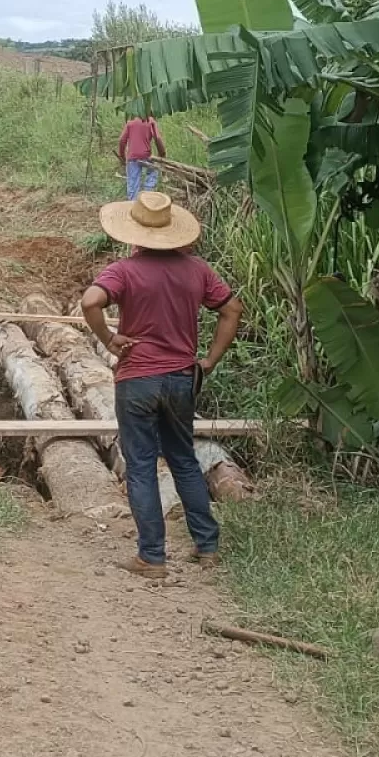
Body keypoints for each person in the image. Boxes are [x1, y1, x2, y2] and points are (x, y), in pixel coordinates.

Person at [80, 192, 243, 579]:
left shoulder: (124, 270)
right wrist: (209, 360)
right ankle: (207, 547)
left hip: (138, 379)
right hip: (181, 378)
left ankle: (151, 557)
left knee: (140, 465)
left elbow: (90, 302)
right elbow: (231, 310)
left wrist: (109, 339)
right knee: (184, 459)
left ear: (133, 233)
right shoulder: (197, 270)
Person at [118, 112, 166, 200]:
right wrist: (162, 153)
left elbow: (121, 140)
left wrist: (122, 156)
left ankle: (133, 204)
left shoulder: (130, 122)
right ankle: (148, 195)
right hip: (146, 156)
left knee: (133, 185)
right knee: (153, 171)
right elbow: (158, 138)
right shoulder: (151, 121)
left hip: (132, 158)